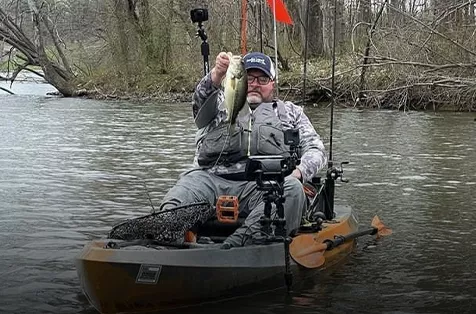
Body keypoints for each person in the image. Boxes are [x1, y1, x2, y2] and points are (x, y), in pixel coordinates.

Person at [160, 51, 327, 247]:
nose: (255, 83)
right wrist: (216, 74)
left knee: (292, 191)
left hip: (263, 187)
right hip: (209, 182)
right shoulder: (220, 104)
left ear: (272, 84)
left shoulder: (291, 113)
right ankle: (165, 241)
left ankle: (236, 246)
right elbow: (198, 104)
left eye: (262, 78)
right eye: (249, 77)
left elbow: (317, 149)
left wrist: (299, 173)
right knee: (180, 193)